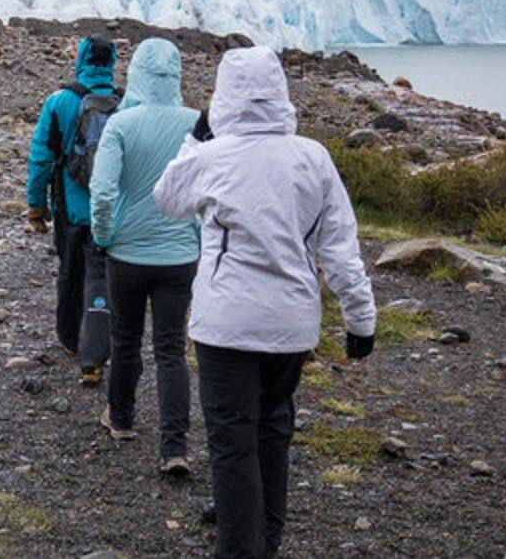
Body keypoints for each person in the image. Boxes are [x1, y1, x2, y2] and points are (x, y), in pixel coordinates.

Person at [154, 46, 376, 559]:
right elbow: (340, 248)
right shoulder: (312, 157)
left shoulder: (212, 156)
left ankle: (239, 550)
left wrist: (197, 135)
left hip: (226, 327)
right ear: (280, 93)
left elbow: (166, 198)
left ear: (223, 96)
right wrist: (360, 320)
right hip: (291, 327)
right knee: (273, 432)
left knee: (232, 444)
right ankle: (265, 543)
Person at [86, 38, 201, 476]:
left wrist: (104, 235)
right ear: (175, 76)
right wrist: (196, 239)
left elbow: (102, 191)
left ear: (134, 74)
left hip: (127, 253)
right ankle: (174, 447)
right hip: (179, 257)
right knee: (171, 349)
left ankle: (122, 419)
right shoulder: (195, 125)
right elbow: (204, 195)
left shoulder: (121, 124)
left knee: (126, 338)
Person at [26, 34, 120, 384]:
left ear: (81, 59)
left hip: (70, 206)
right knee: (101, 273)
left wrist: (36, 206)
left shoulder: (60, 101)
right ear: (111, 61)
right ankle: (97, 351)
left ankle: (69, 340)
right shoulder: (124, 103)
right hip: (108, 207)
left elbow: (41, 157)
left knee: (70, 272)